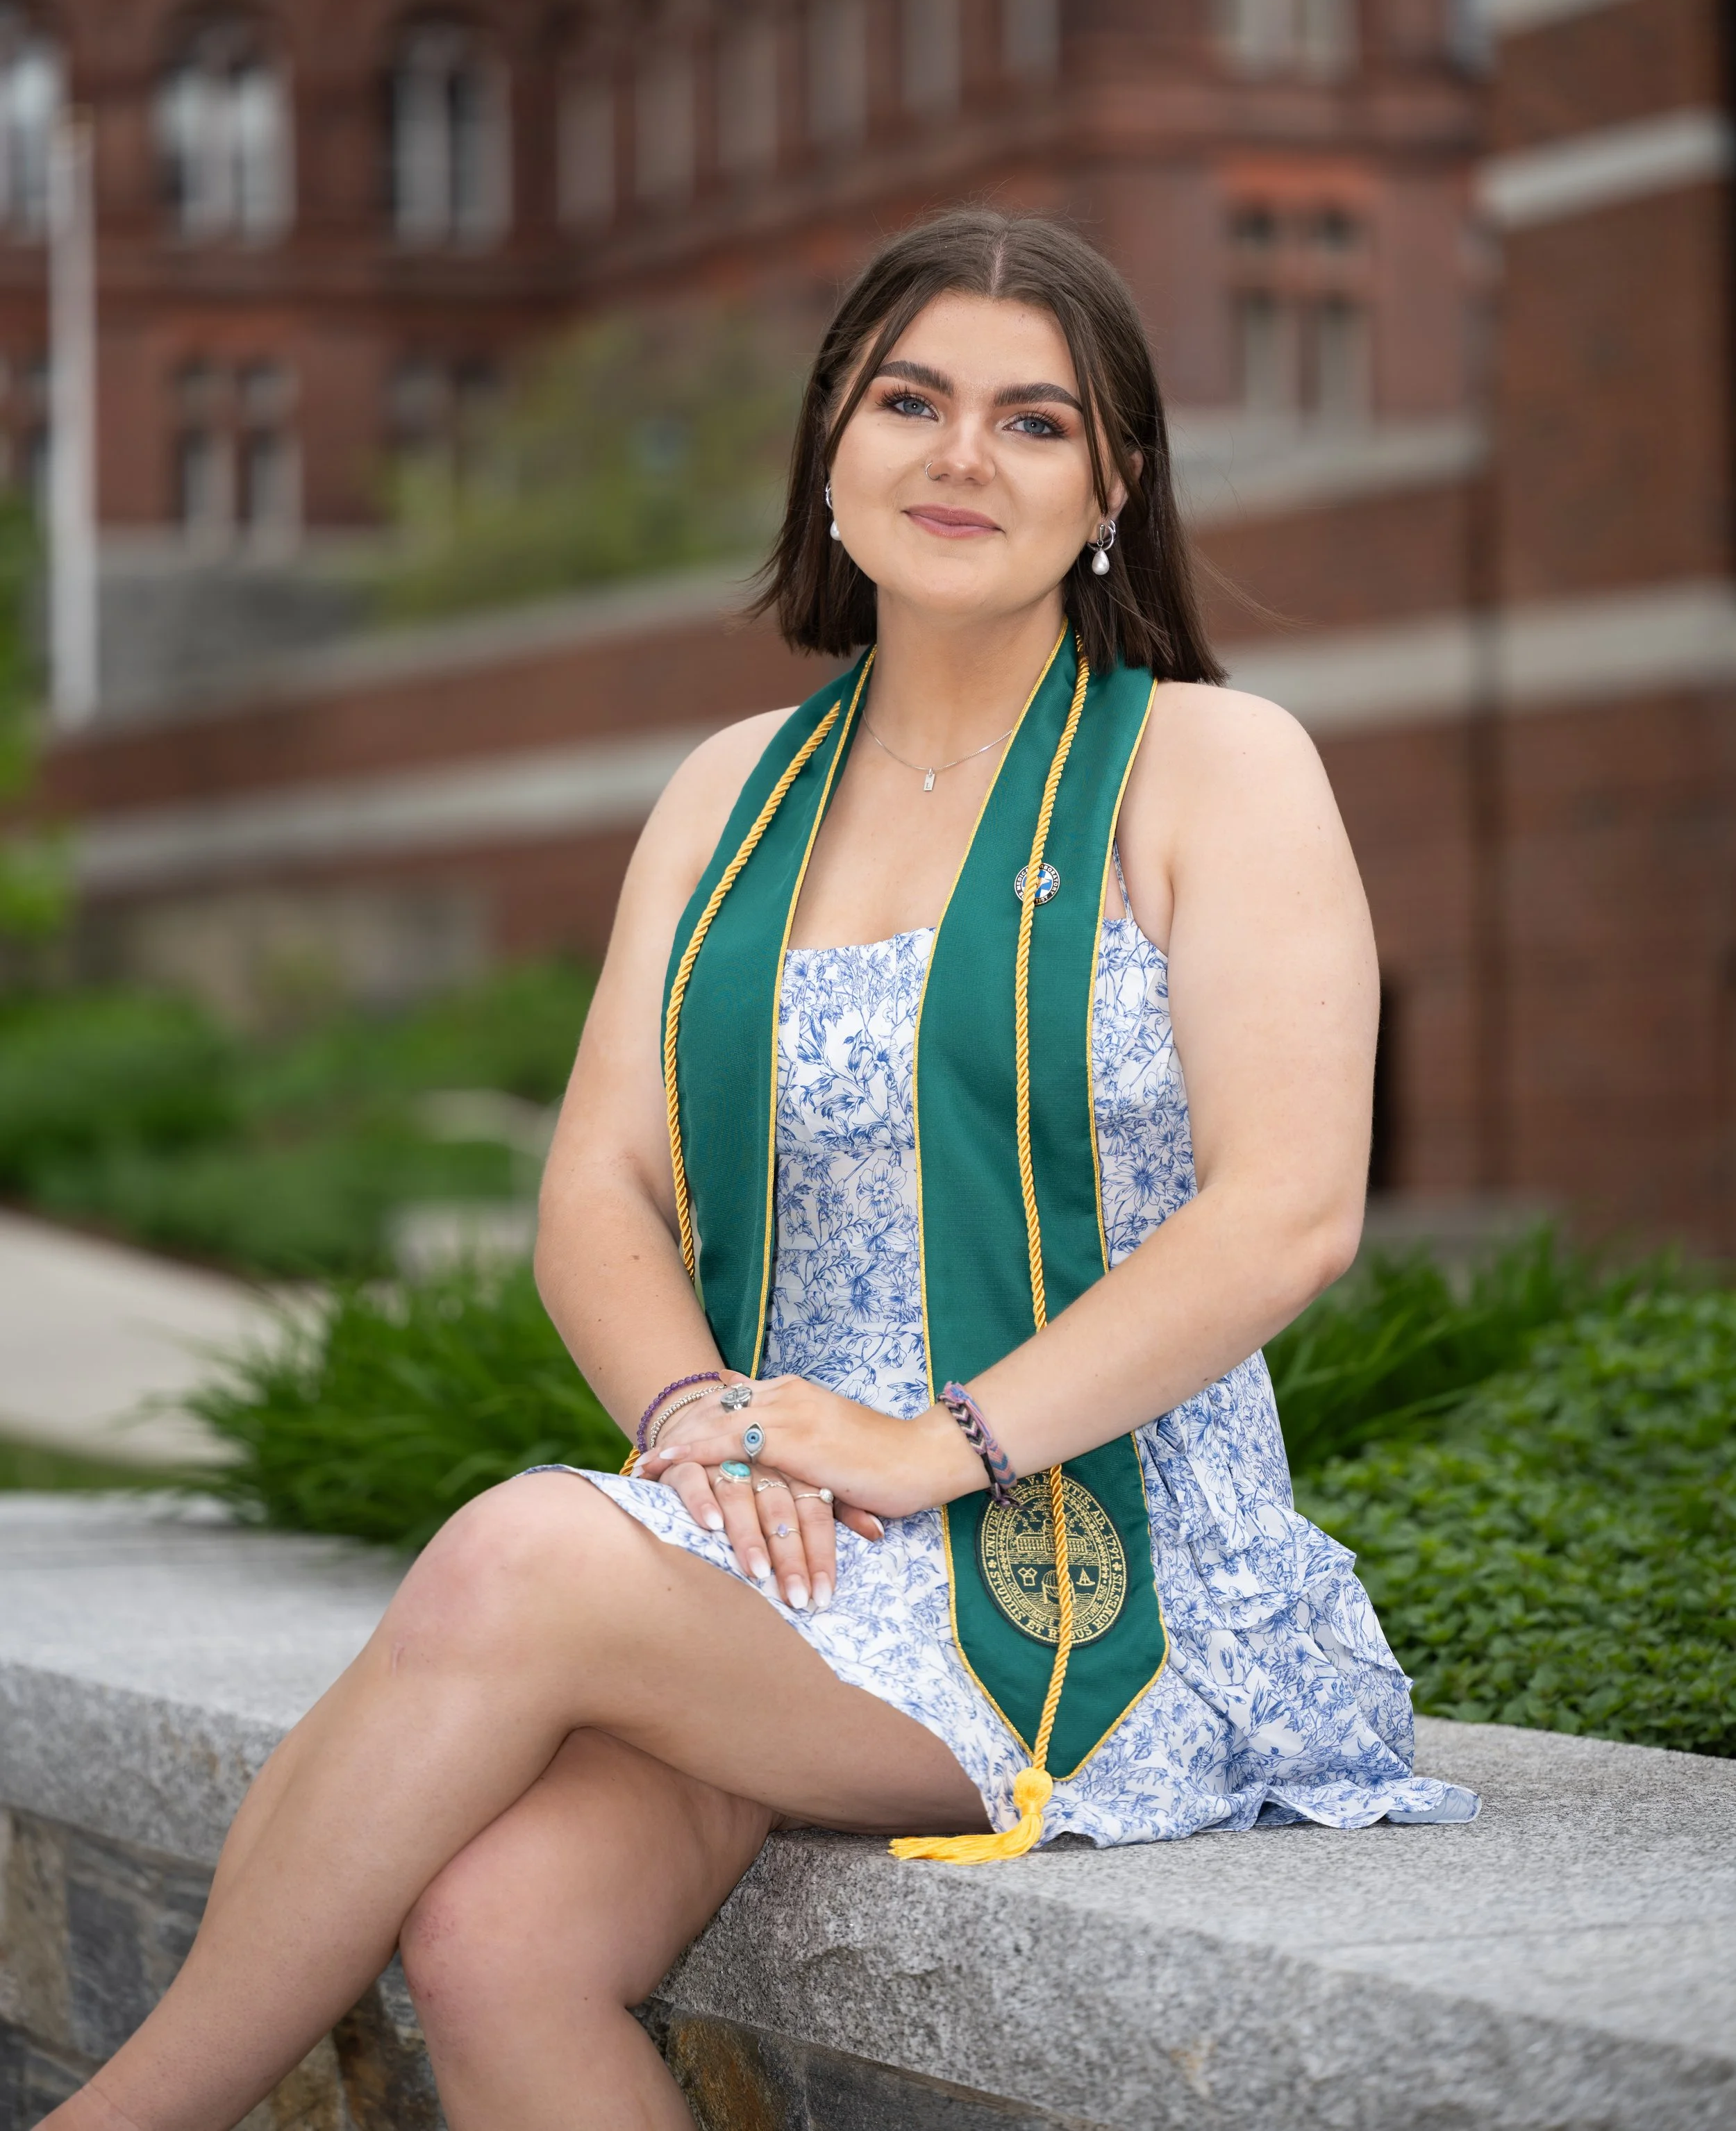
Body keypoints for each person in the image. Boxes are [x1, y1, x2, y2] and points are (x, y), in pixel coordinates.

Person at [44, 210, 1474, 2131]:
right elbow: (596, 1193)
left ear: (1112, 484)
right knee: (493, 1938)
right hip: (787, 1549)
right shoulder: (732, 791)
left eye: (1033, 421)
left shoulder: (1213, 766)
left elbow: (1287, 1210)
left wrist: (927, 1443)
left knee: (522, 1550)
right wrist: (696, 1411)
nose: (962, 456)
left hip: (1092, 1563)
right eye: (912, 399)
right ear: (830, 441)